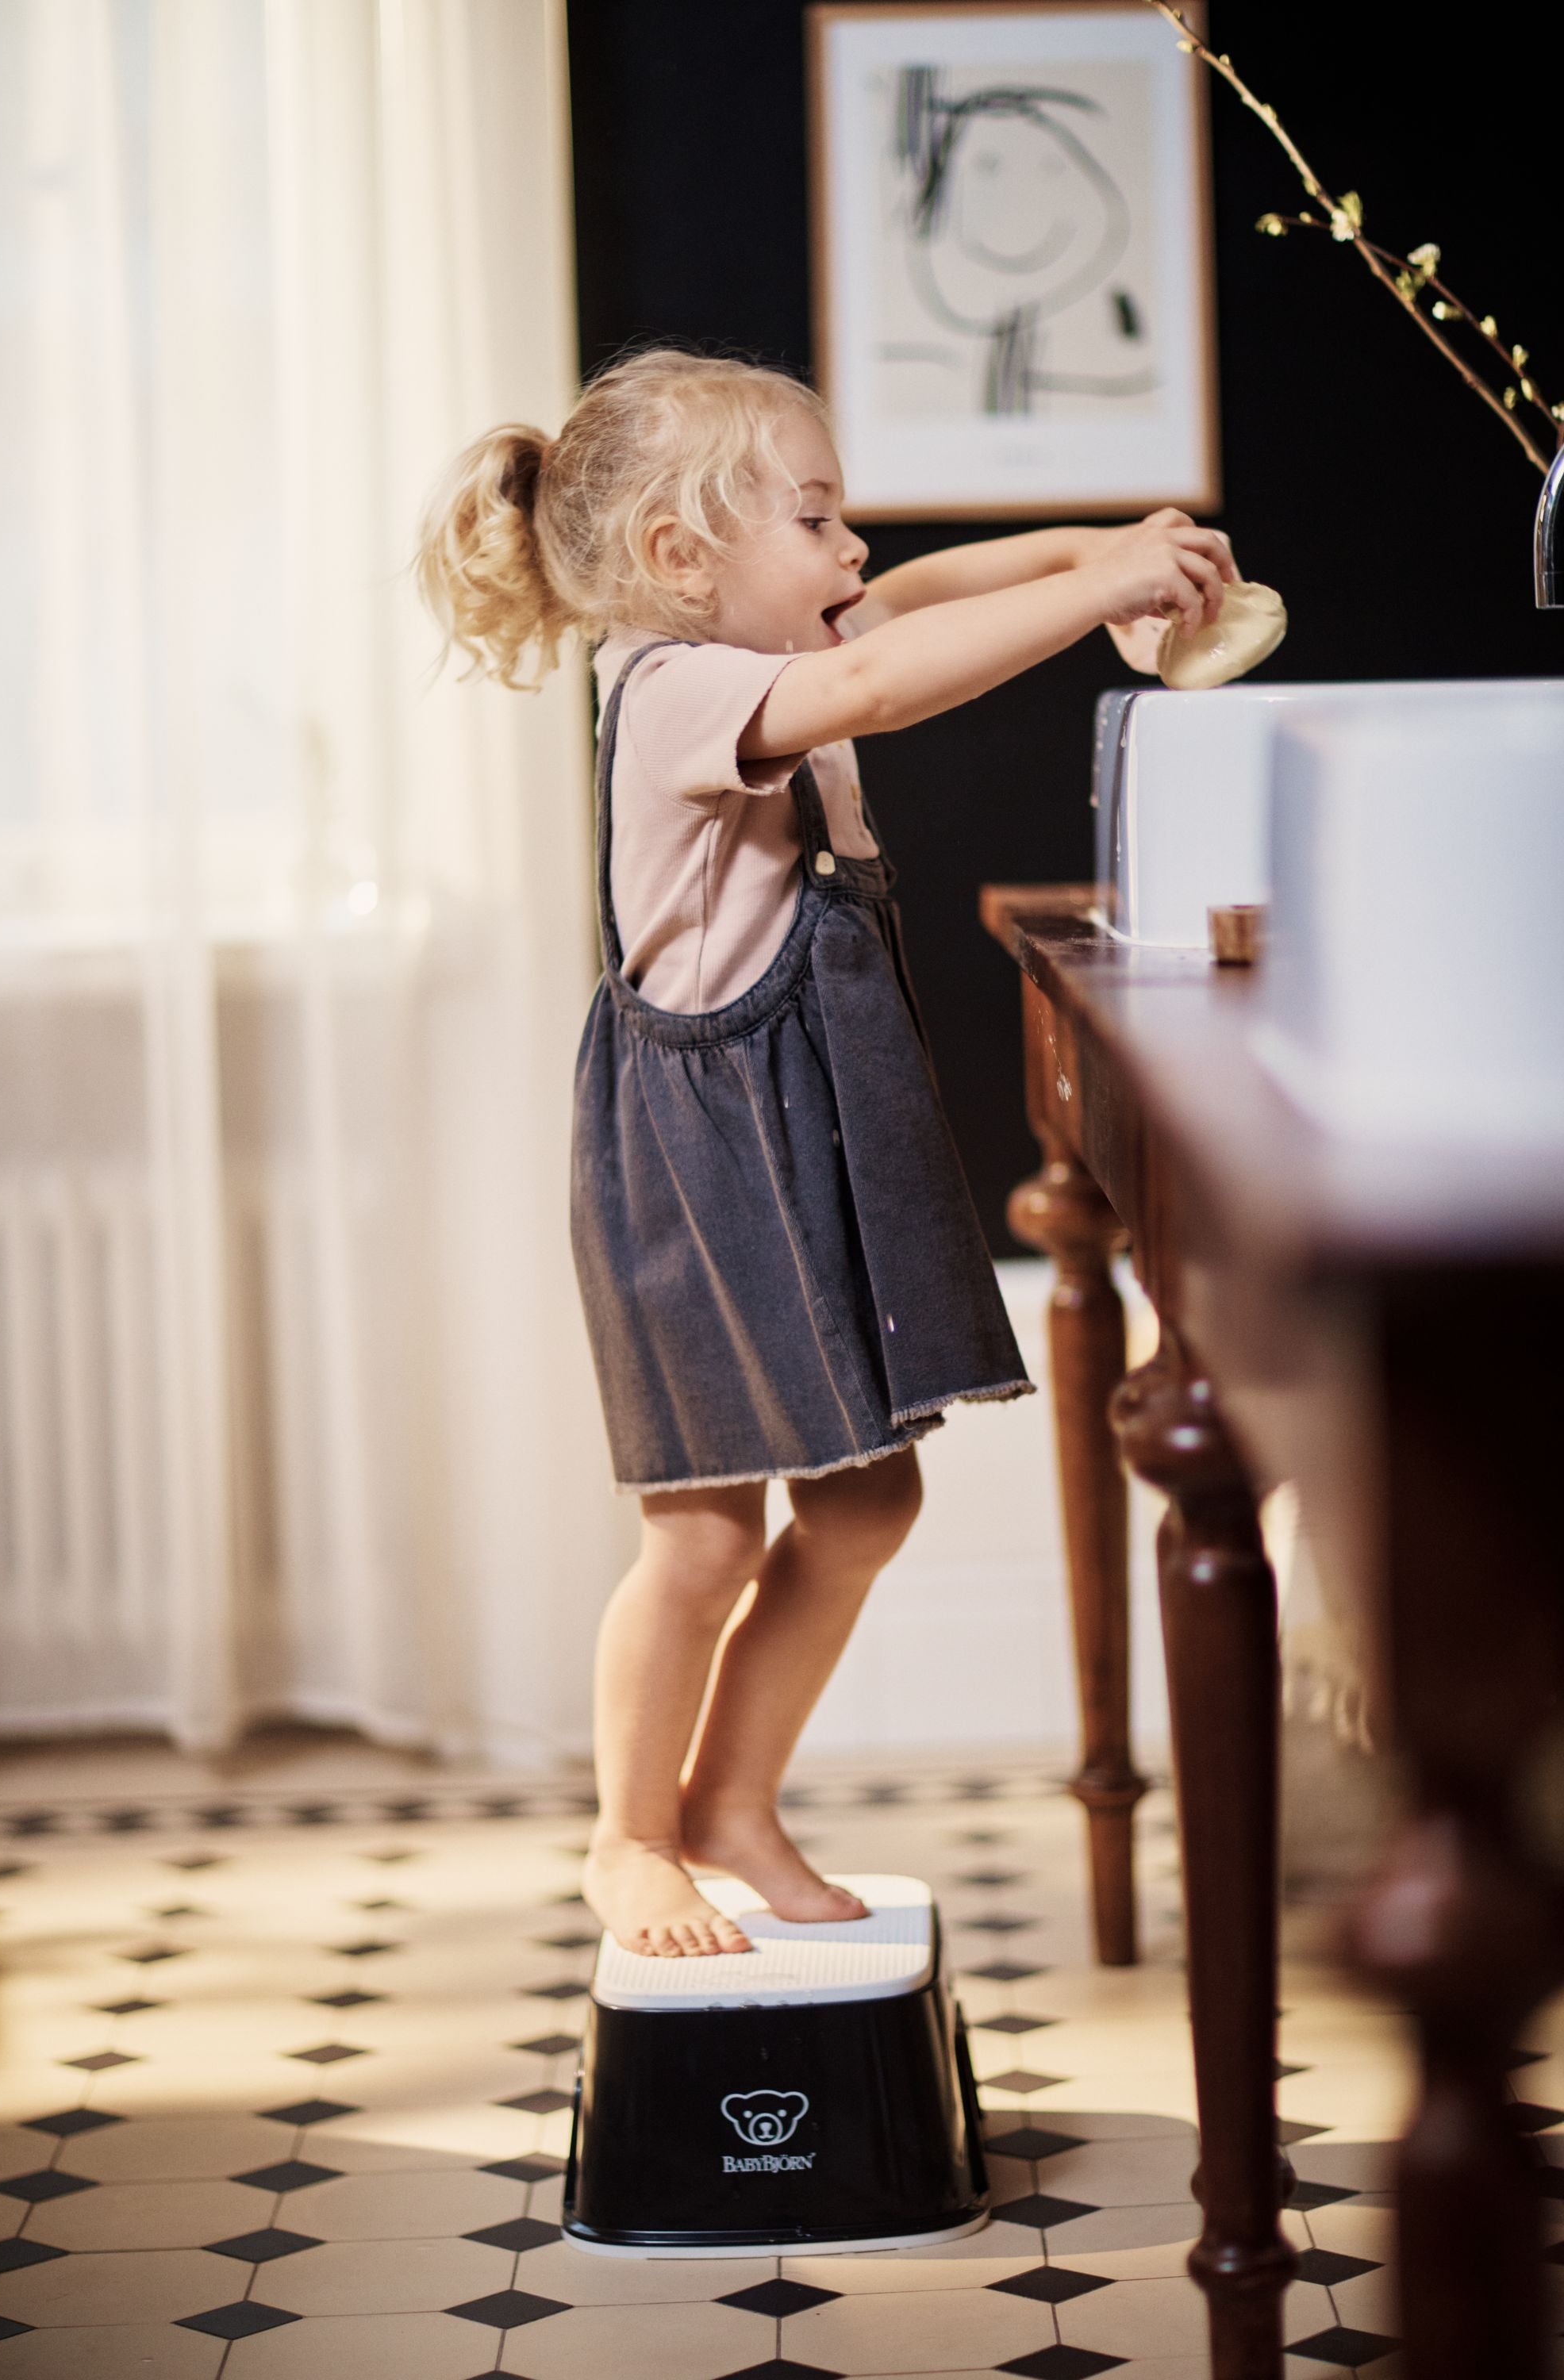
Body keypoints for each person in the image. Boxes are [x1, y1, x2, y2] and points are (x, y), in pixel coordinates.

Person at [414, 348, 1233, 1959]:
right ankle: (631, 1835)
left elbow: (928, 595)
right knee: (706, 1529)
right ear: (678, 559)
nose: (852, 552)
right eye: (815, 516)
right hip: (705, 1158)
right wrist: (1094, 594)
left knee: (861, 1511)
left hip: (812, 1134)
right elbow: (877, 680)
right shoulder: (678, 693)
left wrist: (1100, 556)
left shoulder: (778, 634)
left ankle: (732, 1794)